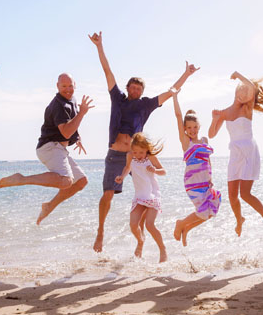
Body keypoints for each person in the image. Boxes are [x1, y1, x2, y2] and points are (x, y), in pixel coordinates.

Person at [88, 32, 197, 253]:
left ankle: (144, 236)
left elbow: (169, 93)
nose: (136, 90)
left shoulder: (145, 105)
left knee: (146, 195)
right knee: (107, 194)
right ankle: (100, 232)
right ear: (128, 88)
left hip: (137, 155)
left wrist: (186, 74)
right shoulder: (117, 99)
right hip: (115, 154)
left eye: (140, 88)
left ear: (142, 92)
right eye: (133, 87)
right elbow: (107, 71)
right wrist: (99, 46)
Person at [0, 74, 94, 224]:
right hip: (50, 147)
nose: (67, 90)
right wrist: (82, 113)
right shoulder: (58, 105)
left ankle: (49, 206)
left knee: (81, 181)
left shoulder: (71, 100)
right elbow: (66, 131)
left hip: (58, 148)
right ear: (57, 86)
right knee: (66, 181)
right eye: (64, 86)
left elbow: (71, 125)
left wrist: (77, 137)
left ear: (75, 85)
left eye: (70, 86)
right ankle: (22, 179)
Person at [208, 71, 263, 239]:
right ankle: (239, 219)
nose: (243, 94)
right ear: (235, 93)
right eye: (240, 91)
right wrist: (214, 118)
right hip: (234, 153)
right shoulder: (225, 112)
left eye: (245, 92)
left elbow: (252, 87)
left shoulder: (247, 108)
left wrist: (238, 75)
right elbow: (211, 134)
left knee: (245, 194)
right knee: (232, 196)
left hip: (248, 151)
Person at [172, 95, 221, 246]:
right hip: (193, 182)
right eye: (188, 128)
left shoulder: (205, 140)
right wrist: (175, 96)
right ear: (185, 129)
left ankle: (186, 229)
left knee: (210, 211)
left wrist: (211, 177)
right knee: (202, 211)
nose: (192, 130)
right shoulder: (187, 142)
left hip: (206, 180)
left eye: (194, 127)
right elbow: (179, 116)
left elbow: (208, 160)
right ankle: (181, 223)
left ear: (199, 126)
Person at [114, 133, 168, 262]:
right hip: (139, 196)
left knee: (149, 225)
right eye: (135, 152)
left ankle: (162, 249)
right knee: (133, 224)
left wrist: (154, 170)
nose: (138, 155)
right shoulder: (130, 156)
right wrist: (122, 177)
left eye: (141, 152)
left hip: (152, 194)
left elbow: (164, 171)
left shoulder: (150, 157)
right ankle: (140, 241)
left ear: (146, 149)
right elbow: (127, 168)